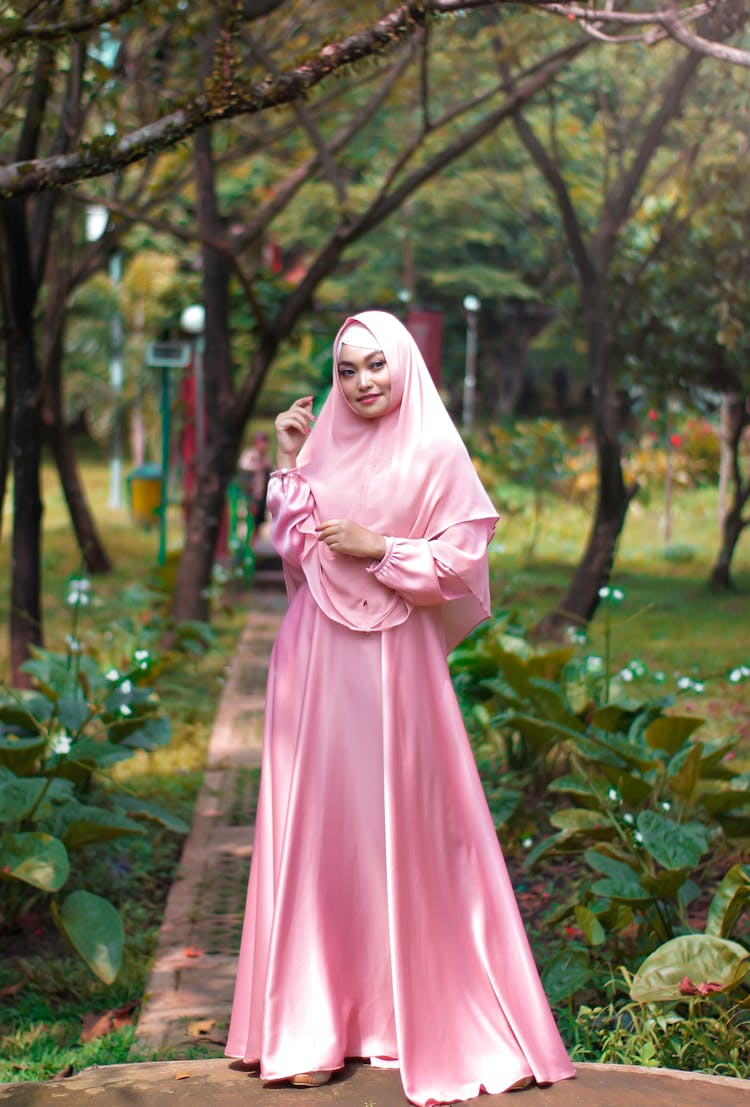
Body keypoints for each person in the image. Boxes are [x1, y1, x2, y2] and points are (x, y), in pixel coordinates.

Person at [225, 311, 575, 1104]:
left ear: (404, 363)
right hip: (314, 660)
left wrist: (380, 548)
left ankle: (420, 1015)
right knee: (320, 829)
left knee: (411, 829)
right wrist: (288, 458)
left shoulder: (436, 449)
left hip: (398, 668)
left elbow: (462, 558)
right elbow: (290, 545)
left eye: (376, 364)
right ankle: (309, 1025)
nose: (362, 382)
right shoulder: (320, 444)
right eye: (347, 369)